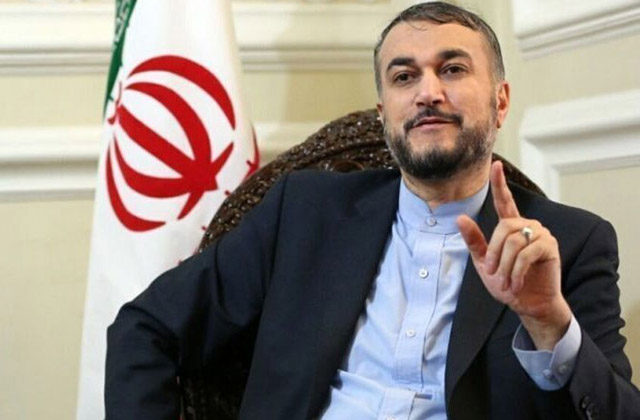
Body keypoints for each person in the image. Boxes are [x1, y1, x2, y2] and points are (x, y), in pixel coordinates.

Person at [105, 2, 640, 419]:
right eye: (405, 77)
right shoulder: (304, 212)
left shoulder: (570, 243)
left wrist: (549, 323)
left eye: (453, 69)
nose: (428, 92)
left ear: (500, 101)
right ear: (385, 114)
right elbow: (145, 326)